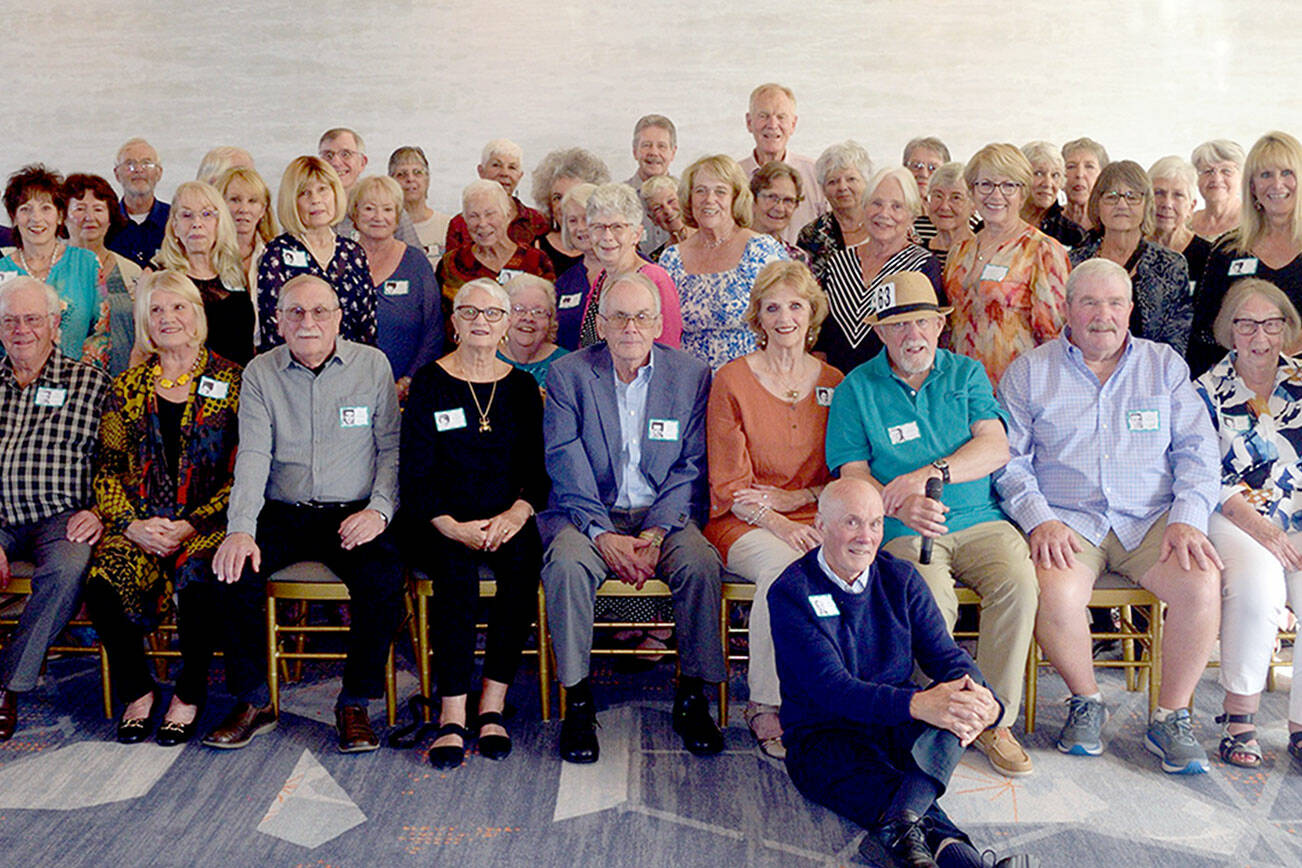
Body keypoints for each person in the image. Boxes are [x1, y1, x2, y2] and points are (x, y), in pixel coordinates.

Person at [996, 259, 1221, 774]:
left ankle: (1171, 716)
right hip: (1069, 520)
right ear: (1067, 310)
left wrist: (1188, 516)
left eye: (1115, 303)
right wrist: (1038, 519)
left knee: (1202, 582)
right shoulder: (1030, 372)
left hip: (1152, 518)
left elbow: (1198, 450)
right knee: (1051, 590)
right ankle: (1087, 699)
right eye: (1090, 303)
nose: (1104, 315)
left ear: (1130, 309)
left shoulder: (1163, 365)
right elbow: (1008, 461)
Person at [826, 271, 1039, 778]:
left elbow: (995, 446)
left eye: (922, 321)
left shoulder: (966, 373)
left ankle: (993, 720)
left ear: (940, 326)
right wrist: (897, 507)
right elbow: (853, 475)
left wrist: (930, 475)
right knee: (927, 595)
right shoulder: (856, 388)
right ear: (880, 331)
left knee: (1018, 581)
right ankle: (937, 714)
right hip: (902, 529)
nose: (913, 335)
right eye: (899, 325)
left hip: (981, 520)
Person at [771, 479, 1022, 868]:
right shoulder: (791, 591)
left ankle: (899, 829)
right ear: (820, 526)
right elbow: (833, 690)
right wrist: (919, 705)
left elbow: (946, 656)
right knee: (890, 790)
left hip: (896, 726)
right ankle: (964, 860)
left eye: (875, 523)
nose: (866, 537)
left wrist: (984, 701)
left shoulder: (900, 578)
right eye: (852, 522)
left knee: (956, 708)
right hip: (824, 736)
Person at [209, 274, 404, 753]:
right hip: (284, 511)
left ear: (338, 318)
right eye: (295, 312)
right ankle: (254, 700)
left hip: (354, 512)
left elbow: (391, 449)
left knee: (383, 579)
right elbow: (253, 454)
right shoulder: (260, 372)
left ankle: (354, 702)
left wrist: (379, 511)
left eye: (320, 311)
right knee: (230, 571)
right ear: (277, 321)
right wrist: (240, 529)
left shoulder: (372, 365)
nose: (308, 321)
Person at [540, 272, 726, 763]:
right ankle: (578, 701)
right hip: (587, 513)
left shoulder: (690, 375)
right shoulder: (568, 374)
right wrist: (602, 534)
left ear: (659, 324)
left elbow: (691, 465)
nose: (631, 327)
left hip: (664, 514)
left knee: (700, 564)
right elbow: (564, 460)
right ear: (600, 324)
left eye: (642, 317)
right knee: (566, 566)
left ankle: (692, 695)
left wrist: (656, 532)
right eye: (619, 316)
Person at [82, 271, 241, 746]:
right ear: (145, 322)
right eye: (156, 310)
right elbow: (107, 469)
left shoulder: (233, 380)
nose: (168, 318)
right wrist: (130, 525)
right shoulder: (126, 386)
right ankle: (138, 690)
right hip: (141, 524)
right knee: (103, 583)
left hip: (207, 524)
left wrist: (191, 524)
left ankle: (188, 694)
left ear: (197, 315)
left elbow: (245, 472)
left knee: (200, 578)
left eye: (178, 307)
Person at [400, 278, 549, 769]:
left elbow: (537, 474)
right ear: (454, 323)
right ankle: (451, 712)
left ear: (506, 325)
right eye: (469, 312)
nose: (480, 321)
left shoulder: (521, 387)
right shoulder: (430, 382)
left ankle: (492, 706)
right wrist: (450, 524)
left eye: (492, 313)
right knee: (456, 577)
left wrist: (516, 514)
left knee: (523, 569)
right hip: (439, 519)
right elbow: (415, 472)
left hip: (506, 518)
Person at [705, 260, 841, 760]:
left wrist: (802, 500)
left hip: (814, 514)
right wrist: (778, 521)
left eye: (796, 306)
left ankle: (834, 695)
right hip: (741, 518)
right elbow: (728, 483)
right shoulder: (732, 379)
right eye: (773, 308)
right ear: (757, 317)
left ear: (812, 313)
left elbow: (845, 471)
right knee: (786, 570)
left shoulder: (834, 381)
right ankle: (765, 703)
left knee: (853, 562)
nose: (785, 318)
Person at [1193, 279, 1302, 769]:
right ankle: (1240, 718)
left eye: (1272, 324)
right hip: (1236, 516)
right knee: (1258, 588)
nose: (1261, 336)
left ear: (1287, 328)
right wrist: (1267, 532)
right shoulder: (1205, 390)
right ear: (1229, 329)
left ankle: (1300, 726)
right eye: (1248, 325)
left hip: (1298, 517)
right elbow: (1205, 474)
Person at [0, 278, 109, 741]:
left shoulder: (91, 383)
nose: (21, 330)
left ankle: (8, 685)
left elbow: (118, 460)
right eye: (10, 321)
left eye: (32, 319)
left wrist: (101, 511)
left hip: (62, 516)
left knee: (67, 568)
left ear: (54, 324)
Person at [945, 143, 1071, 388]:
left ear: (1023, 193)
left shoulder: (1041, 250)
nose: (996, 195)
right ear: (972, 190)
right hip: (960, 389)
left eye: (1008, 185)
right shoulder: (959, 252)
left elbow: (1055, 337)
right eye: (986, 184)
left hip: (1018, 390)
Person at [1188, 132, 1302, 378]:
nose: (1277, 184)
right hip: (1238, 386)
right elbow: (1203, 333)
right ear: (1252, 186)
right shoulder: (1227, 250)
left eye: (1287, 173)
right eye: (1265, 175)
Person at [659, 155, 788, 370]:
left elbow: (788, 320)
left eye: (720, 191)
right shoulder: (671, 259)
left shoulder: (761, 250)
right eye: (700, 191)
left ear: (735, 198)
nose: (709, 199)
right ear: (689, 198)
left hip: (752, 377)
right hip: (690, 381)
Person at [814, 166, 941, 374]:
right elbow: (822, 337)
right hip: (838, 382)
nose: (884, 214)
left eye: (897, 206)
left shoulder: (922, 266)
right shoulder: (838, 262)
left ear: (912, 215)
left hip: (894, 383)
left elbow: (926, 340)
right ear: (864, 207)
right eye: (876, 203)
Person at [1069, 161, 1192, 355]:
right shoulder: (1074, 263)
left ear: (1147, 205)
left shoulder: (1170, 265)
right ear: (1097, 204)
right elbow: (1064, 329)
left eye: (1132, 196)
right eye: (1111, 196)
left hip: (1151, 369)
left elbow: (1176, 340)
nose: (1121, 204)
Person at [256, 156, 376, 350]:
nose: (316, 200)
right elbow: (274, 328)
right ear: (292, 201)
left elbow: (367, 325)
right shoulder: (276, 253)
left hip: (351, 363)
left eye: (322, 190)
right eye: (305, 193)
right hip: (294, 364)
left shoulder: (354, 252)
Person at [0, 165, 108, 367]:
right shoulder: (2, 270)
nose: (36, 218)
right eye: (25, 209)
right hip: (12, 382)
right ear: (14, 218)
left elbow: (100, 334)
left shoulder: (87, 263)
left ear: (59, 216)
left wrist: (78, 376)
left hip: (78, 379)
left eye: (45, 208)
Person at [348, 175, 443, 402]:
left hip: (407, 392)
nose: (379, 217)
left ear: (398, 216)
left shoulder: (415, 262)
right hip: (348, 391)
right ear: (354, 214)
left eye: (388, 209)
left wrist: (407, 382)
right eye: (369, 208)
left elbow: (433, 330)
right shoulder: (342, 260)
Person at [152, 181, 255, 365]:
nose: (197, 224)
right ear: (174, 225)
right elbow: (143, 349)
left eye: (207, 214)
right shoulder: (158, 278)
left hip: (238, 379)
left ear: (219, 223)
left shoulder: (236, 273)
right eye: (187, 215)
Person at [578, 183, 682, 348]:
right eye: (598, 227)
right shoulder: (601, 278)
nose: (607, 236)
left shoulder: (655, 279)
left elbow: (667, 351)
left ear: (636, 234)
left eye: (617, 227)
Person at [64, 173, 142, 375]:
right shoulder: (52, 267)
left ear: (109, 219)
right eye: (80, 209)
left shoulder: (131, 271)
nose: (89, 217)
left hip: (122, 379)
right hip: (65, 381)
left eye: (98, 209)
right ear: (62, 217)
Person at [435, 179, 555, 305]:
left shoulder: (536, 261)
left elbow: (548, 309)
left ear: (508, 215)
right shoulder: (451, 264)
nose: (482, 223)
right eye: (473, 216)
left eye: (490, 214)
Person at [738, 83, 826, 243]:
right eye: (763, 116)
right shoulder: (733, 177)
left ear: (793, 124)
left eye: (781, 117)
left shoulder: (817, 175)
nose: (772, 125)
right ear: (749, 122)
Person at [318, 127, 420, 247]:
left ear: (362, 163)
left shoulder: (388, 206)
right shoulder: (309, 208)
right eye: (328, 155)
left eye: (345, 154)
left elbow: (415, 256)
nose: (335, 162)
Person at [445, 139, 550, 250]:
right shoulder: (460, 224)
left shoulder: (537, 221)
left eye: (512, 167)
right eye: (496, 165)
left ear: (520, 175)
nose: (504, 173)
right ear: (481, 171)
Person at [797, 141, 873, 286]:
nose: (842, 187)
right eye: (833, 182)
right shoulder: (811, 235)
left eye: (851, 179)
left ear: (867, 183)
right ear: (823, 190)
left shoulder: (888, 223)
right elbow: (804, 288)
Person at [215, 166, 279, 336]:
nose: (244, 209)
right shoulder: (208, 256)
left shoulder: (275, 255)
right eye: (235, 200)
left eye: (252, 201)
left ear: (263, 210)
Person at [531, 148, 611, 275]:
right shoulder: (535, 248)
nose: (564, 205)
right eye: (557, 197)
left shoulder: (610, 244)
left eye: (573, 196)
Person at [1147, 156, 1212, 294]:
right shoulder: (1132, 251)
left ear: (1191, 207)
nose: (1167, 204)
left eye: (1178, 195)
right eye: (1159, 193)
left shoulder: (1209, 257)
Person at [552, 183, 602, 349]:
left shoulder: (630, 270)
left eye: (586, 219)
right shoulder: (565, 282)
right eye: (572, 221)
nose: (580, 228)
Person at [107, 138, 169, 268]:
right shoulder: (106, 221)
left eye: (147, 163)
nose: (139, 169)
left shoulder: (174, 219)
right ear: (117, 174)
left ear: (159, 173)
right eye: (130, 164)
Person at [498, 274, 568, 390]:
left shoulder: (567, 364)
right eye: (519, 309)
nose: (528, 318)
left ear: (550, 320)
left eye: (539, 312)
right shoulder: (485, 358)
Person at [389, 145, 453, 267]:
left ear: (427, 179)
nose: (410, 179)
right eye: (401, 174)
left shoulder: (448, 226)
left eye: (417, 173)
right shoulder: (385, 228)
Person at [626, 115, 679, 255]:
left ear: (673, 153)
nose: (654, 152)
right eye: (646, 145)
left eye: (661, 146)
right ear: (635, 151)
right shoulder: (618, 198)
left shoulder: (687, 195)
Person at [1022, 141, 1083, 249]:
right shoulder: (997, 224)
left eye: (1055, 175)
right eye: (1038, 173)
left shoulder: (1073, 235)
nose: (1048, 183)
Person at [749, 162, 811, 264]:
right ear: (753, 199)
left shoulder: (798, 259)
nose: (780, 208)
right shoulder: (730, 250)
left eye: (788, 200)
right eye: (771, 197)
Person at [924, 162, 976, 272]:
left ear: (974, 205)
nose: (944, 206)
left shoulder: (982, 253)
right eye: (938, 196)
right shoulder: (916, 256)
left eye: (956, 197)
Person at [1191, 139, 1246, 241]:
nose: (1216, 179)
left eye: (1226, 171)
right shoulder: (1186, 224)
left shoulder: (1255, 223)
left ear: (1242, 178)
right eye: (1208, 171)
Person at [903, 136, 952, 244]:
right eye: (916, 166)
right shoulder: (893, 214)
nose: (924, 174)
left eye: (932, 168)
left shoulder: (956, 216)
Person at [1059, 138, 1110, 239]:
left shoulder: (1111, 224)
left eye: (1089, 166)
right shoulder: (1049, 222)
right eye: (1071, 167)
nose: (1079, 174)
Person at [641, 175, 694, 261]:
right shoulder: (655, 261)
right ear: (652, 219)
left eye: (671, 201)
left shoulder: (713, 241)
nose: (668, 211)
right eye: (657, 208)